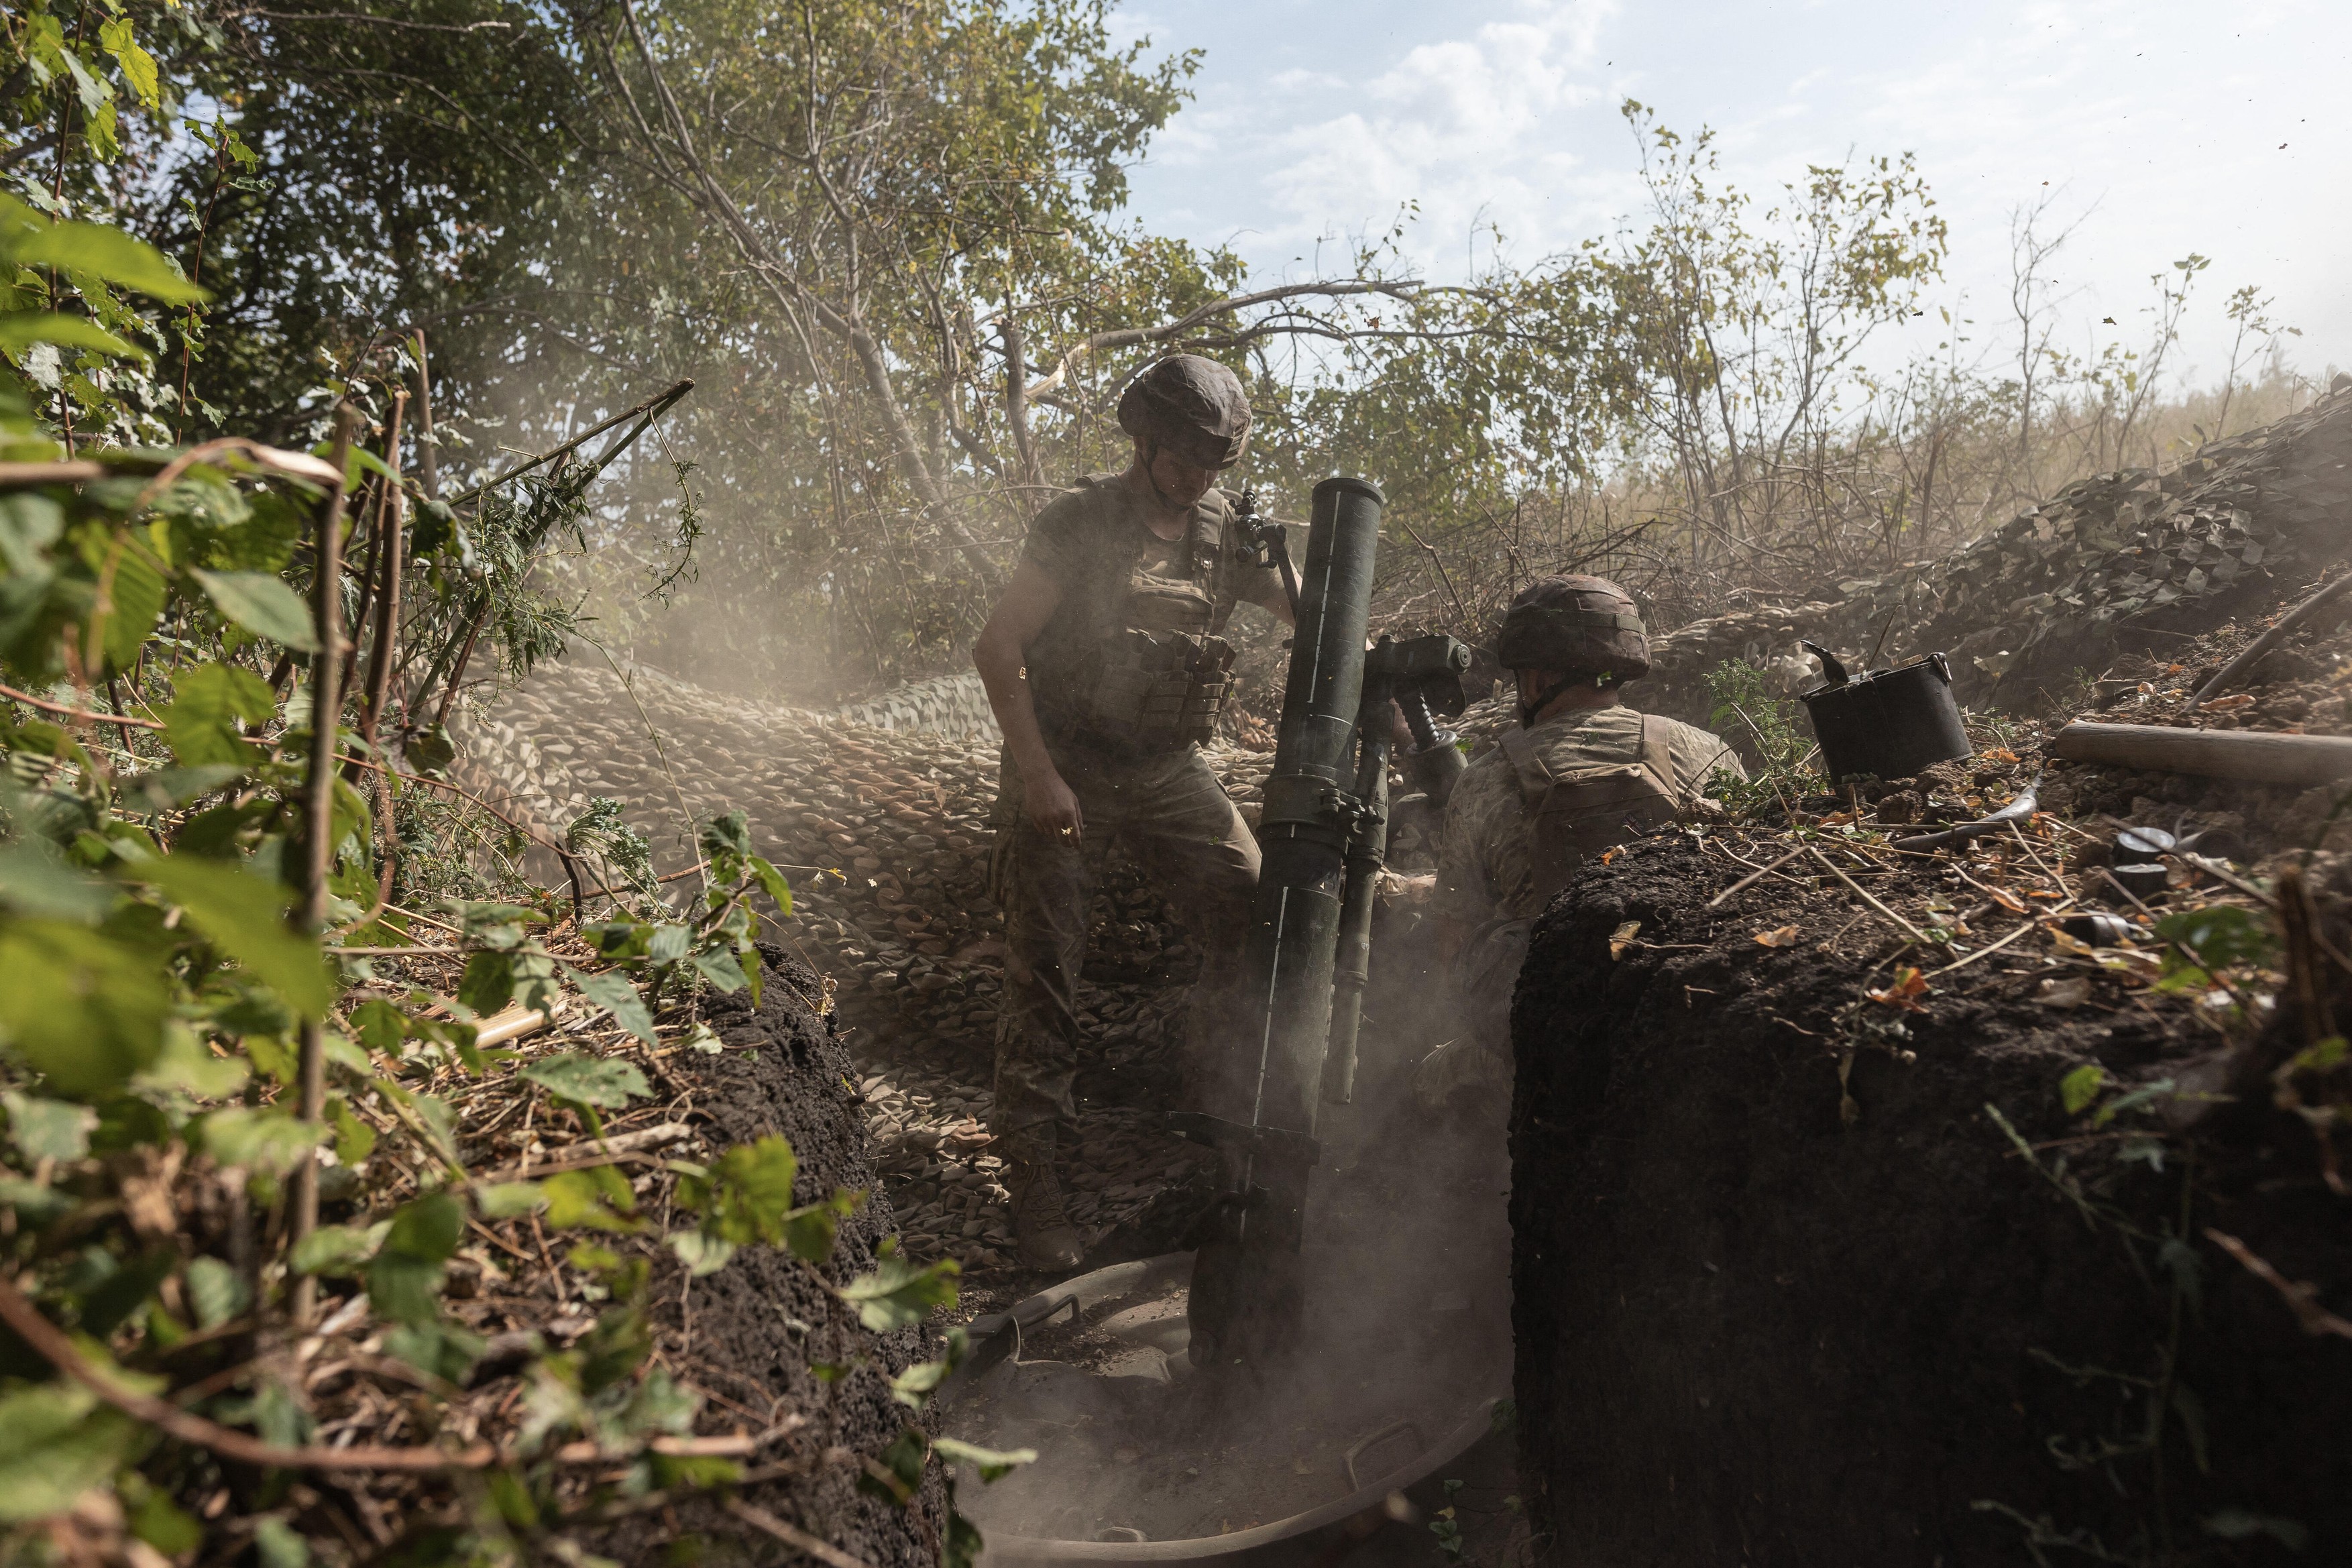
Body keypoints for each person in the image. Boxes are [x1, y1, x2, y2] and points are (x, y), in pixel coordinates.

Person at [972, 354, 1294, 1270]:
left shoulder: (1226, 533)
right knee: (1044, 971)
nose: (1193, 475)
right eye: (1181, 454)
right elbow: (997, 648)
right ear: (1144, 441)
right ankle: (1035, 1191)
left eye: (1210, 461)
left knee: (1256, 903)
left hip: (1164, 769)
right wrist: (1037, 777)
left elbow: (1304, 615)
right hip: (1065, 763)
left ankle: (1221, 1115)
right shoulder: (1078, 521)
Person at [1418, 575, 1745, 1105]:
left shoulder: (1483, 778)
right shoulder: (1704, 749)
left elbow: (1456, 939)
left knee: (1428, 1081)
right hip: (1693, 1010)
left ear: (1536, 676)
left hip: (1554, 1041)